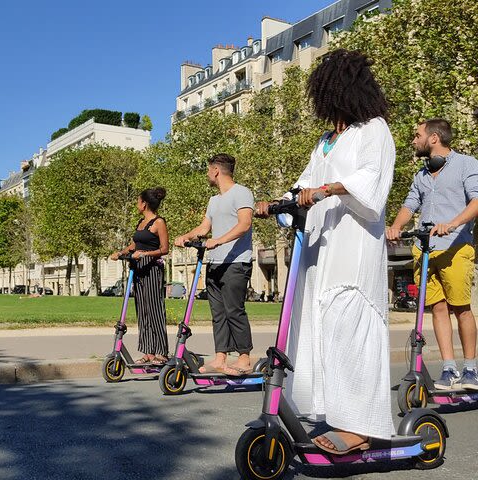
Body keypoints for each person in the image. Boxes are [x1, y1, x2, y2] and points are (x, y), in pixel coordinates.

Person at [256, 49, 395, 454]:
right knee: (320, 327)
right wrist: (278, 203)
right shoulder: (326, 142)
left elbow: (372, 180)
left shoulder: (374, 130)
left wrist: (328, 190)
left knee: (350, 325)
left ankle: (360, 427)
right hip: (320, 249)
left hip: (353, 248)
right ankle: (332, 412)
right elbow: (304, 183)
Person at [386, 119, 478, 391]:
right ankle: (449, 368)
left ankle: (470, 369)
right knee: (437, 309)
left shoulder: (466, 164)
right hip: (426, 249)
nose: (413, 140)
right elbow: (409, 205)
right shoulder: (422, 175)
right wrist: (395, 226)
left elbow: (476, 201)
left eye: (417, 135)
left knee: (461, 308)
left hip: (455, 247)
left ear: (434, 138)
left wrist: (452, 222)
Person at [174, 153, 254, 375]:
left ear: (216, 170)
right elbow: (203, 228)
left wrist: (218, 240)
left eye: (209, 169)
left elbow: (245, 224)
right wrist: (186, 236)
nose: (208, 174)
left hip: (236, 262)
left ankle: (244, 358)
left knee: (234, 310)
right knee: (218, 312)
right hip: (216, 263)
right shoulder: (214, 200)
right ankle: (220, 358)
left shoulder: (242, 192)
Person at [110, 187, 170, 364]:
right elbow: (133, 245)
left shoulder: (159, 222)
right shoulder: (141, 222)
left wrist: (144, 254)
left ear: (144, 203)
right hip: (138, 269)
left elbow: (165, 249)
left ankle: (162, 352)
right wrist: (120, 253)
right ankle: (148, 352)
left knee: (155, 310)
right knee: (142, 311)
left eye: (138, 201)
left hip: (152, 269)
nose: (137, 203)